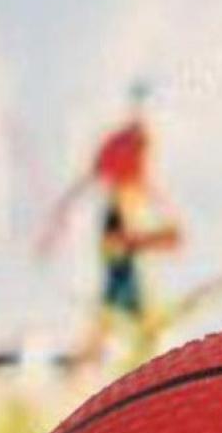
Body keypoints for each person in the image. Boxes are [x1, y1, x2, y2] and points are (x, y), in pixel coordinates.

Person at [36, 81, 183, 368]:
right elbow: (92, 180)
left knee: (123, 295)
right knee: (120, 293)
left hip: (130, 218)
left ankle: (93, 356)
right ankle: (93, 358)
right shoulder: (122, 141)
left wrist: (170, 219)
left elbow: (146, 183)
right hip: (120, 218)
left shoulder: (141, 140)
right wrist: (55, 224)